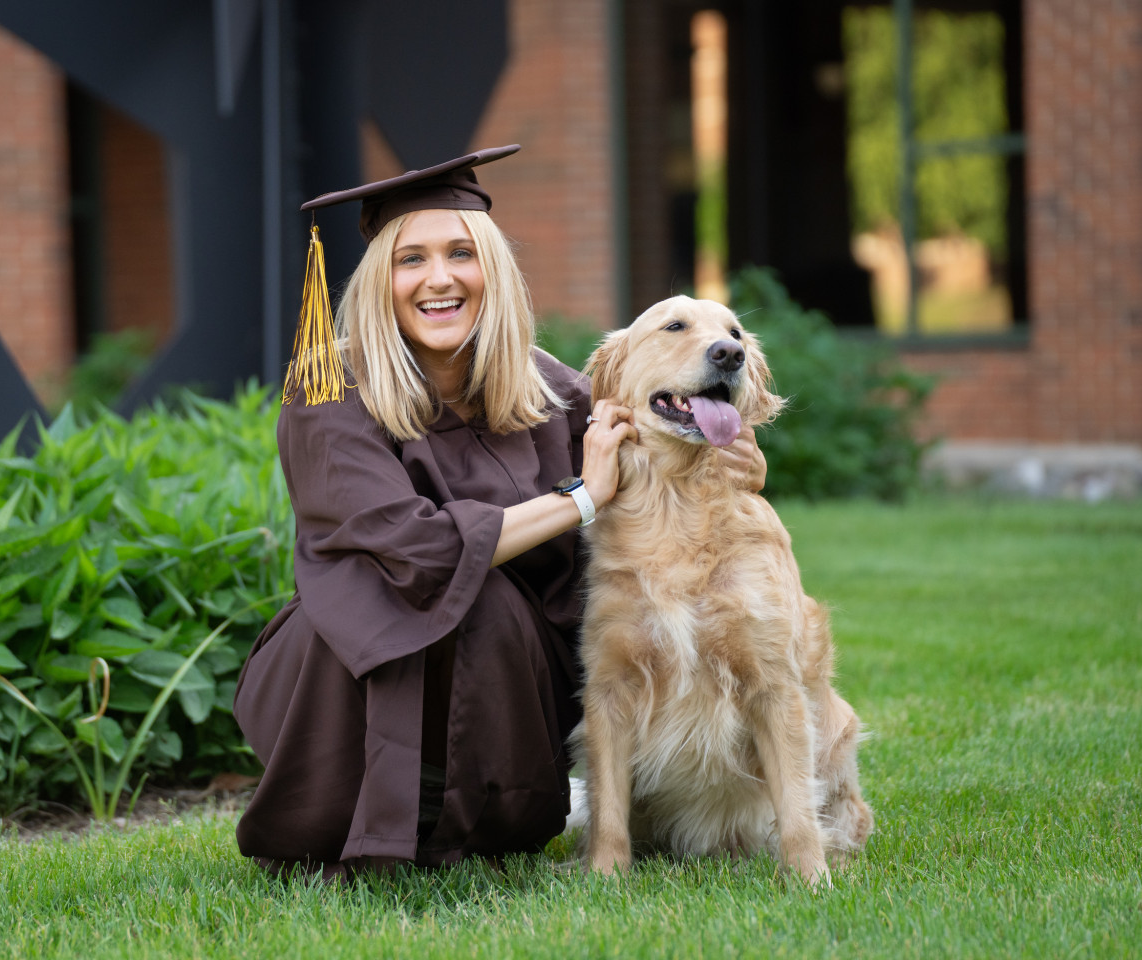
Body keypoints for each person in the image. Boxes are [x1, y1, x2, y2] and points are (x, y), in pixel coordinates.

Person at [233, 145, 764, 877]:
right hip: (344, 670)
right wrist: (581, 498)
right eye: (409, 259)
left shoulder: (550, 390)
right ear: (378, 280)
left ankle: (484, 810)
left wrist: (729, 446)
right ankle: (372, 809)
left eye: (461, 253)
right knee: (466, 589)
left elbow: (658, 426)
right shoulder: (329, 391)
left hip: (509, 680)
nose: (440, 279)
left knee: (491, 604)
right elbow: (416, 553)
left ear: (493, 272)